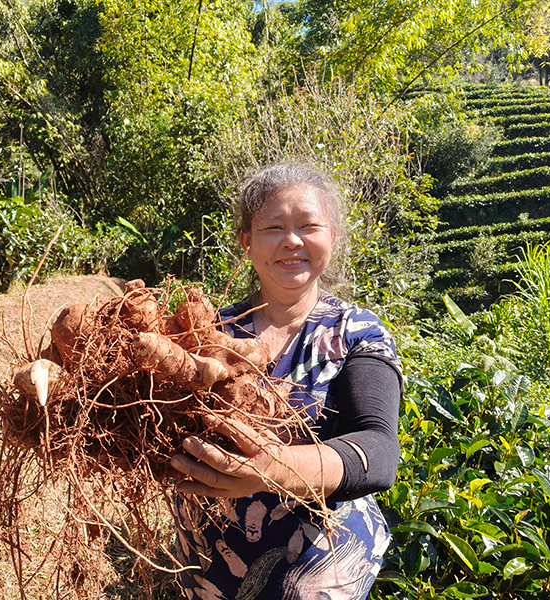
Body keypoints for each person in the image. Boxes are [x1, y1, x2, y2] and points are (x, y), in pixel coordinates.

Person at [169, 163, 403, 600]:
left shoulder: (357, 332)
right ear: (246, 241)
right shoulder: (205, 331)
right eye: (273, 227)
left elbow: (379, 451)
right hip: (206, 567)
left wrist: (275, 469)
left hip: (316, 570)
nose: (292, 241)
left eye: (308, 226)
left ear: (332, 236)